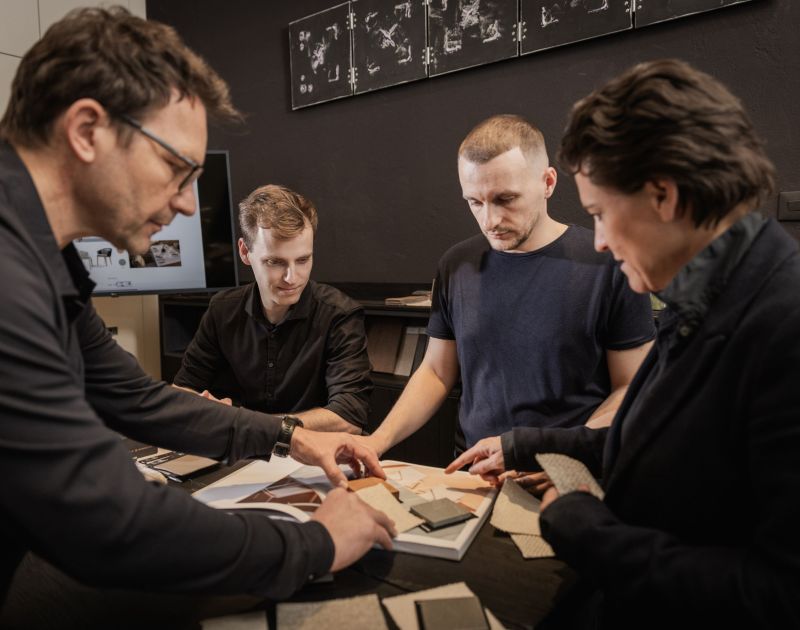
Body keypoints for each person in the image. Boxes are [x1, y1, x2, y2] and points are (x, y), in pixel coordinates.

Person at [0, 7, 395, 624]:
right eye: (176, 169)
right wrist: (316, 542)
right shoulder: (10, 275)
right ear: (86, 131)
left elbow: (140, 399)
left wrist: (288, 435)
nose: (186, 204)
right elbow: (113, 523)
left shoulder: (38, 258)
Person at [450, 59, 800, 628]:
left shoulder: (782, 328)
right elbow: (663, 440)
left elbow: (778, 596)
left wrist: (587, 530)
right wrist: (526, 444)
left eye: (601, 215)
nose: (604, 242)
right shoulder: (711, 294)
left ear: (662, 195)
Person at [360, 114, 655, 469]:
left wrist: (568, 456)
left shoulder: (606, 262)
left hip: (565, 474)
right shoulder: (457, 264)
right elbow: (437, 372)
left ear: (547, 182)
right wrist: (377, 442)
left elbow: (632, 387)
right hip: (472, 471)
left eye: (506, 199)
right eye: (475, 202)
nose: (490, 220)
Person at [173, 184, 371, 433]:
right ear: (245, 252)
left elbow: (349, 417)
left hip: (313, 459)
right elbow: (183, 389)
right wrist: (200, 405)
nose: (292, 277)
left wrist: (248, 425)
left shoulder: (339, 315)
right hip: (239, 454)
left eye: (303, 260)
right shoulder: (222, 310)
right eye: (275, 262)